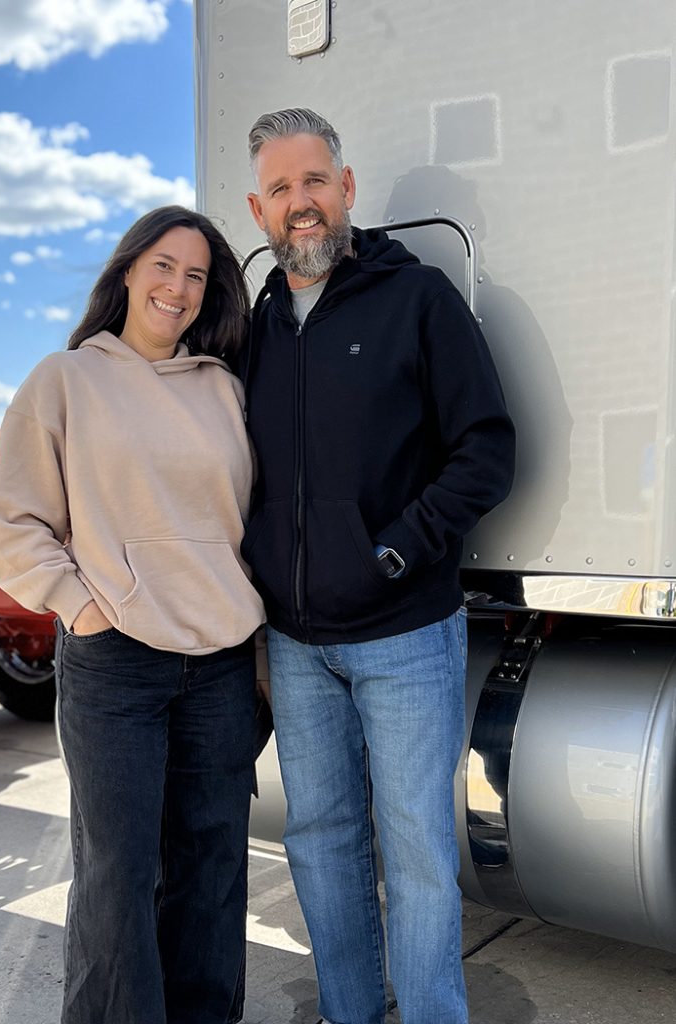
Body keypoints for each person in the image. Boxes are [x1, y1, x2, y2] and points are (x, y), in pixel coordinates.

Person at [242, 109, 515, 1024]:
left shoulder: (417, 298)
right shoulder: (254, 329)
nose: (301, 203)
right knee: (319, 843)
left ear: (346, 188)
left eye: (314, 181)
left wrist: (393, 550)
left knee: (417, 853)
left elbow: (485, 450)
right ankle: (347, 1012)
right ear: (257, 210)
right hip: (294, 642)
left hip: (406, 633)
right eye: (280, 188)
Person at [0, 206, 265, 1024]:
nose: (177, 287)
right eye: (163, 266)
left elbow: (248, 525)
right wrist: (79, 607)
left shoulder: (224, 389)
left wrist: (257, 651)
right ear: (128, 271)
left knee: (212, 867)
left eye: (195, 275)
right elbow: (17, 520)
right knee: (118, 875)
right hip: (115, 662)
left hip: (219, 662)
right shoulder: (64, 379)